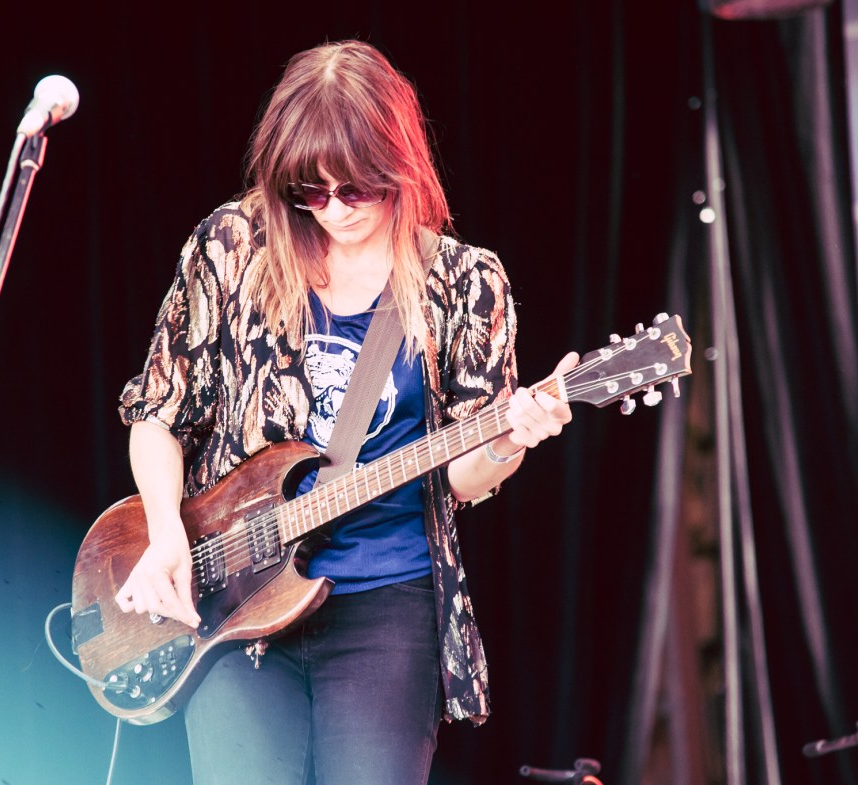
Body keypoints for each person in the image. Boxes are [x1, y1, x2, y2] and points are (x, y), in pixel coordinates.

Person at [113, 39, 576, 785]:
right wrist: (167, 531)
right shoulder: (233, 247)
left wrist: (509, 439)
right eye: (310, 192)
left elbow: (463, 477)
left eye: (354, 189)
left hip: (385, 602)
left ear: (398, 165)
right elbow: (158, 412)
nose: (332, 210)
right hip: (235, 602)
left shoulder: (463, 281)